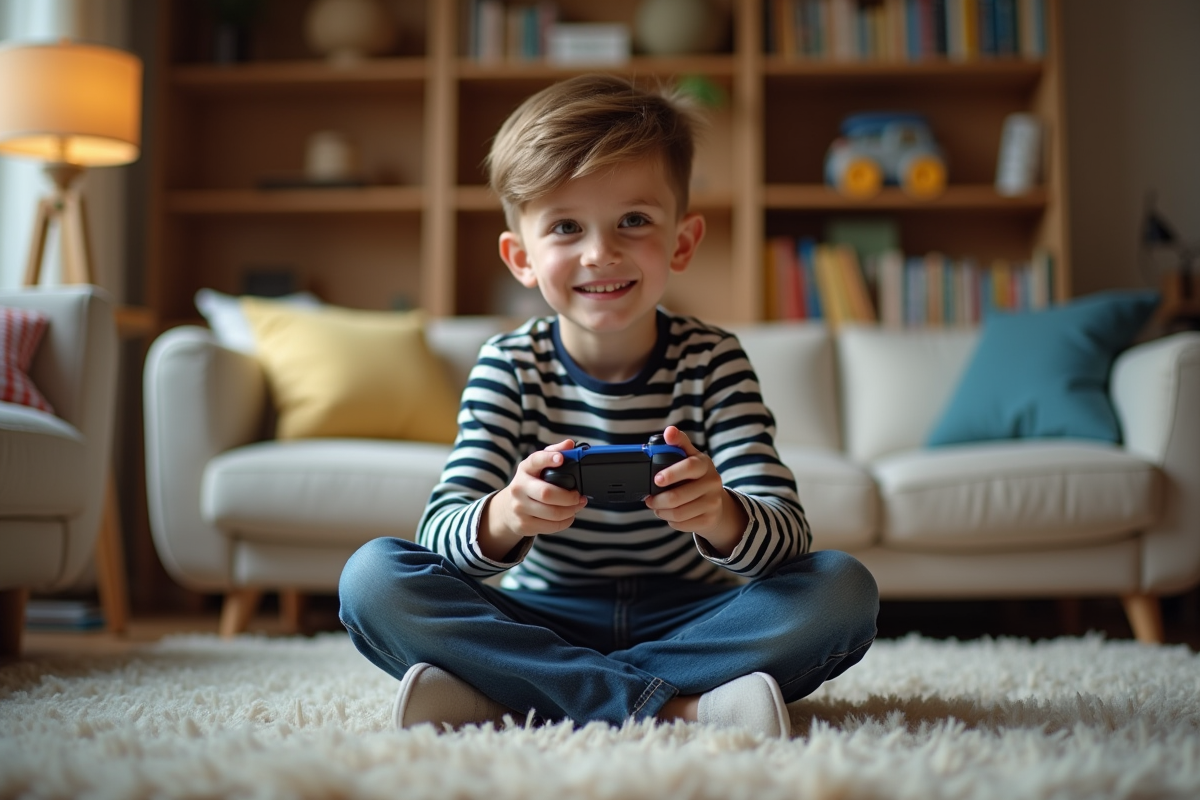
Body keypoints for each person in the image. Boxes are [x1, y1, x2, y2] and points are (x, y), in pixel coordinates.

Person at [338, 73, 879, 739]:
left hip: (694, 615)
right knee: (372, 578)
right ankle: (679, 705)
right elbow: (441, 535)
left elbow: (788, 538)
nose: (601, 252)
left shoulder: (714, 360)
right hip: (544, 615)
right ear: (522, 258)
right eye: (565, 226)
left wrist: (722, 514)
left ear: (681, 242)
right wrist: (508, 515)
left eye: (634, 221)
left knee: (842, 589)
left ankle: (521, 697)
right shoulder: (507, 365)